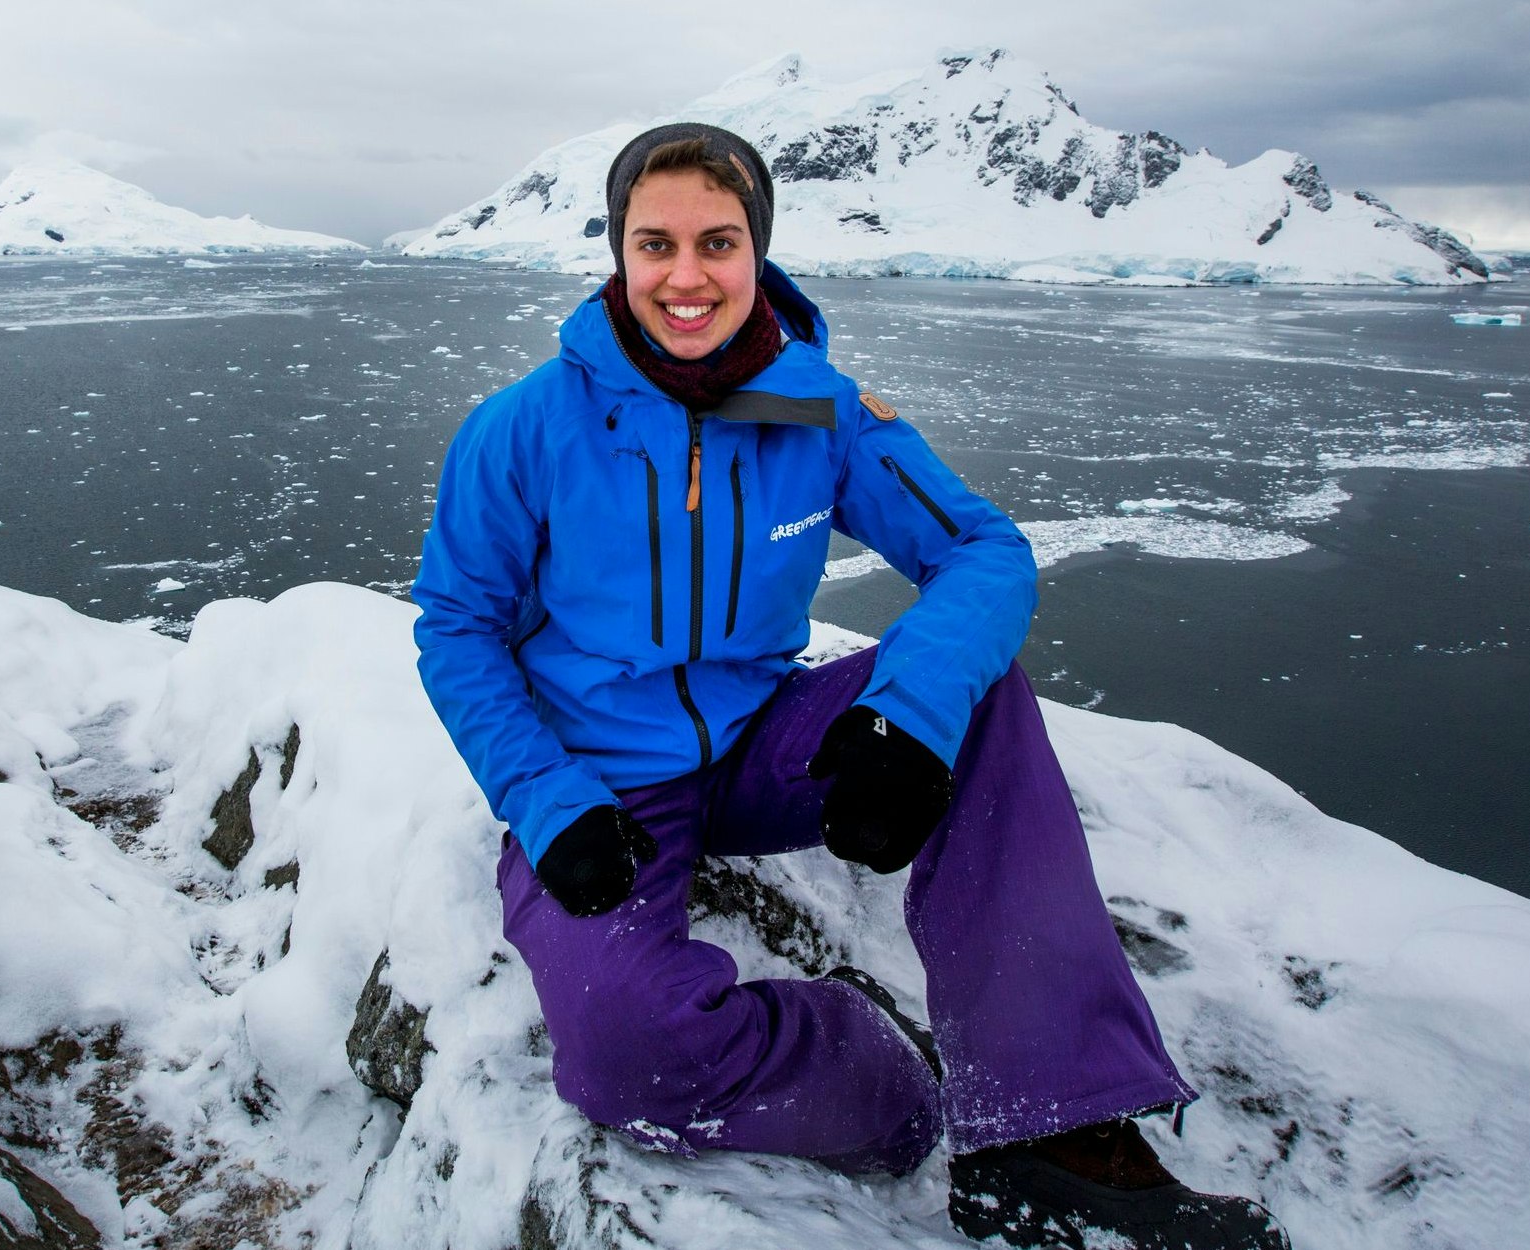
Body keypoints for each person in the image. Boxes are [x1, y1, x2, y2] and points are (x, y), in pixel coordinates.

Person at [413, 122, 1288, 1250]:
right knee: (627, 1054)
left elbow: (981, 550)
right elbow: (458, 627)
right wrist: (544, 797)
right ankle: (886, 1082)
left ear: (757, 248)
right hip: (600, 778)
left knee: (975, 695)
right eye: (655, 243)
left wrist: (909, 718)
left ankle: (1048, 1137)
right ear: (618, 251)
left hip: (760, 736)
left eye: (717, 243)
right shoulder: (531, 426)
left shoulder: (806, 407)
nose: (686, 277)